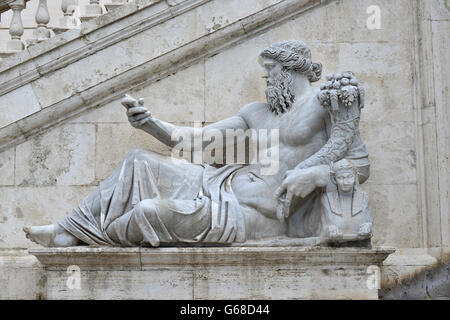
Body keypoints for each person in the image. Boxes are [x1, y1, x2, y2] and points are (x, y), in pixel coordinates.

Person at [23, 40, 369, 247]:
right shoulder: (255, 112)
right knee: (139, 160)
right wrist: (151, 124)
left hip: (257, 215)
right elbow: (194, 141)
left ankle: (96, 237)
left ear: (288, 70)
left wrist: (316, 175)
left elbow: (359, 164)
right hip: (224, 183)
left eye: (270, 72)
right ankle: (68, 231)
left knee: (149, 211)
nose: (266, 80)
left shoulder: (325, 102)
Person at [320, 159, 373, 241]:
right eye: (341, 178)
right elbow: (320, 227)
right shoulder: (326, 199)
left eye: (350, 177)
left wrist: (367, 227)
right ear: (334, 179)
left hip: (359, 246)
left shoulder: (364, 198)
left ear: (355, 177)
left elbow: (369, 223)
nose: (346, 182)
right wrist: (328, 229)